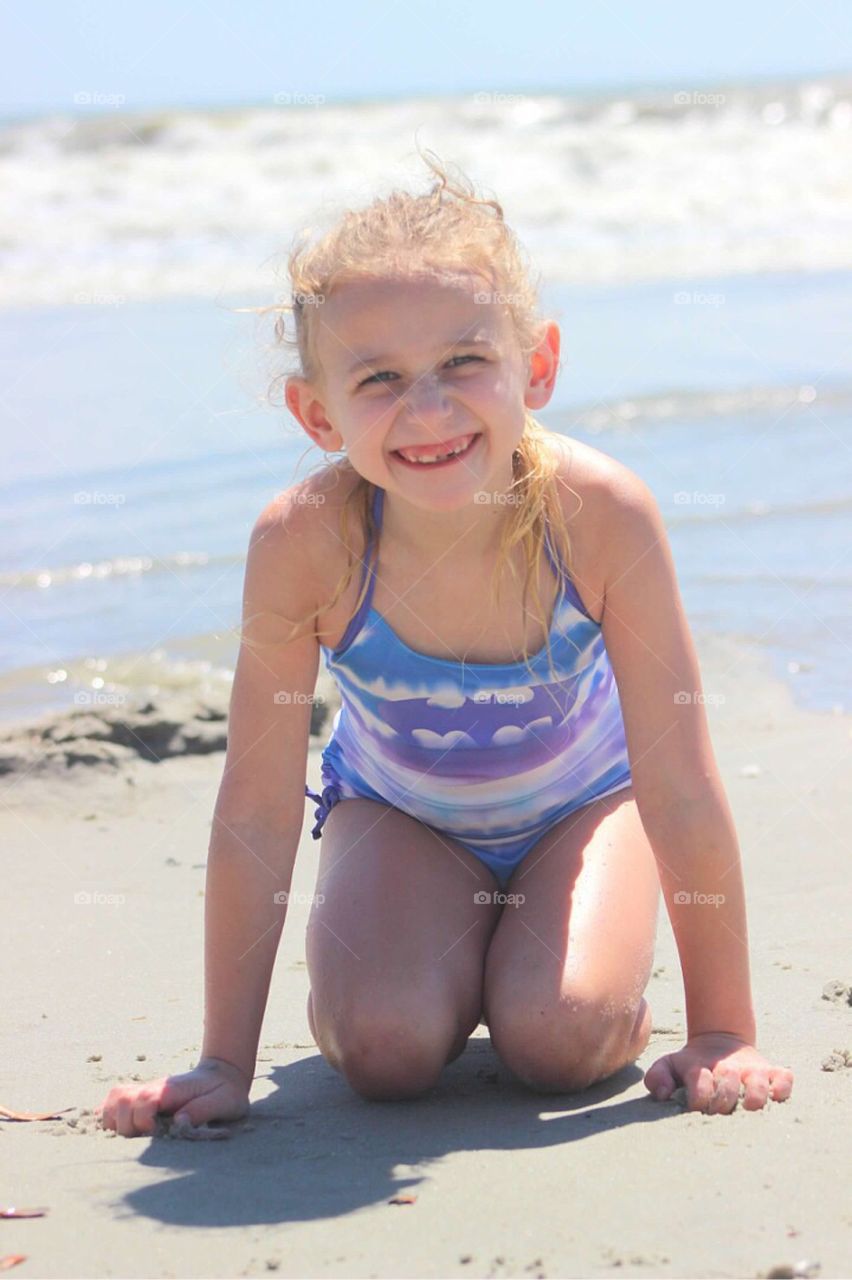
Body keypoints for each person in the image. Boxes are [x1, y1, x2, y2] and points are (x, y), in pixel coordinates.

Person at [99, 151, 793, 1137]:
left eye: (465, 361)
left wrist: (724, 1030)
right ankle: (440, 958)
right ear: (317, 412)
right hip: (401, 817)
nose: (427, 409)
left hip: (584, 809)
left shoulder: (601, 516)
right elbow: (256, 808)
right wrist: (224, 1062)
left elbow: (678, 780)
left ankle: (558, 969)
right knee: (383, 1051)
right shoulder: (303, 544)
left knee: (560, 1037)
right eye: (379, 378)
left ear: (536, 366)